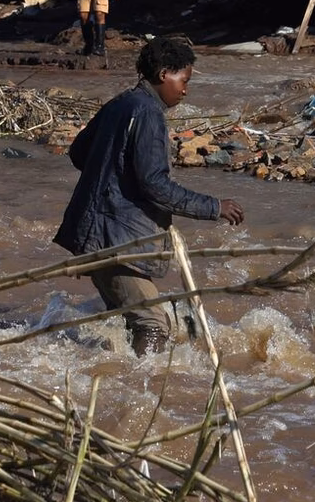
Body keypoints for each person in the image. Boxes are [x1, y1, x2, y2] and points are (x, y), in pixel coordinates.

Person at [53, 34, 244, 355]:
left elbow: (79, 153)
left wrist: (112, 172)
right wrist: (214, 207)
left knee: (134, 322)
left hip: (97, 235)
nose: (185, 90)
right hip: (115, 243)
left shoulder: (121, 103)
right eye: (183, 80)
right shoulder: (148, 115)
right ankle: (148, 391)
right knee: (154, 325)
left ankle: (119, 380)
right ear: (163, 75)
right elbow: (155, 185)